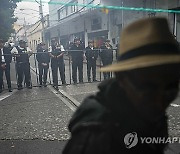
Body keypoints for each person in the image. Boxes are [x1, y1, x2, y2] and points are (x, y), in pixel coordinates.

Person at [63, 17, 180, 154]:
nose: (161, 97)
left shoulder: (151, 110)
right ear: (122, 78)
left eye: (171, 85)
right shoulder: (94, 135)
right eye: (148, 86)